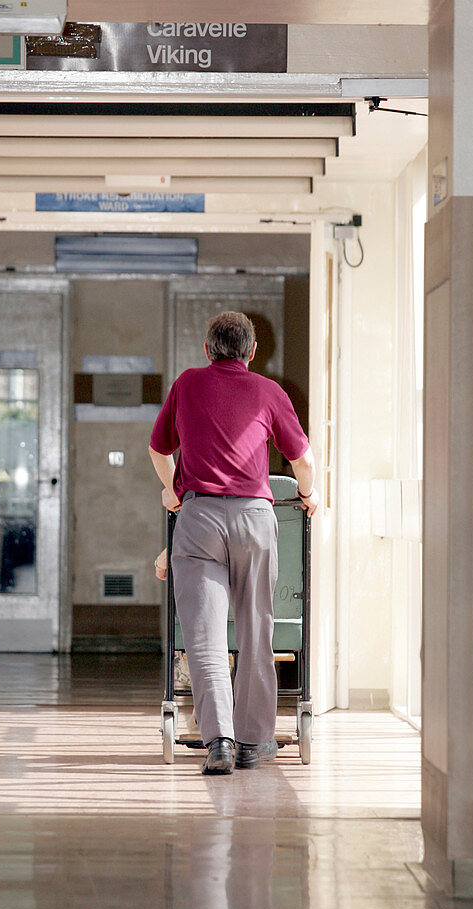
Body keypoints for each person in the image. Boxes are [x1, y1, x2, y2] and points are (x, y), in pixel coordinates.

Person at [149, 311, 318, 776]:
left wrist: (176, 492)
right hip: (254, 520)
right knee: (255, 630)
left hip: (200, 519)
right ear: (251, 352)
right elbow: (302, 462)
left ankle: (218, 741)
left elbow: (159, 448)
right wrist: (308, 494)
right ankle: (254, 742)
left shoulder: (186, 384)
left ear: (207, 350)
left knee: (203, 638)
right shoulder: (269, 391)